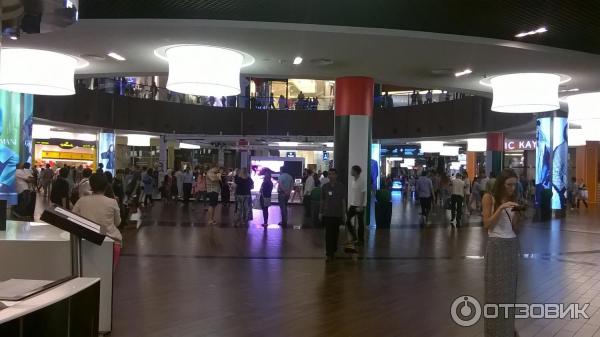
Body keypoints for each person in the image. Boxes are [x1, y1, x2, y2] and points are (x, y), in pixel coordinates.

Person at [482, 169, 522, 336]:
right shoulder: (489, 198)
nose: (512, 188)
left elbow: (515, 229)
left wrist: (519, 213)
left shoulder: (513, 200)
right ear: (501, 184)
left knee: (509, 291)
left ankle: (508, 329)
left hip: (511, 245)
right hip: (497, 245)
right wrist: (501, 207)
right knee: (495, 292)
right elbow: (487, 224)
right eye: (509, 184)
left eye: (514, 185)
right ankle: (495, 331)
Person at [72, 173, 123, 269]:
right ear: (106, 185)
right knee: (109, 275)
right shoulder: (112, 202)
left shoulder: (82, 201)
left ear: (91, 185)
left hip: (87, 242)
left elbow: (74, 219)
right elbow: (117, 222)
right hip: (111, 241)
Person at [320, 169, 346, 261]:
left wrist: (344, 214)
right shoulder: (325, 187)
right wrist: (320, 212)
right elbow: (322, 200)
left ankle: (334, 250)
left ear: (336, 175)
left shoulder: (341, 186)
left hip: (337, 214)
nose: (331, 176)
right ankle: (329, 253)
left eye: (333, 174)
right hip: (327, 213)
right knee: (328, 234)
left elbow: (343, 201)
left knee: (335, 234)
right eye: (330, 174)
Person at [346, 165, 366, 248]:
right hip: (353, 205)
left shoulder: (362, 180)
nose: (351, 171)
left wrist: (361, 206)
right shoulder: (353, 181)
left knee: (360, 223)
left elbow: (363, 193)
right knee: (347, 222)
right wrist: (350, 204)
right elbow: (353, 193)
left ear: (356, 171)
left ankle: (361, 240)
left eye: (352, 170)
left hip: (360, 205)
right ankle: (354, 236)